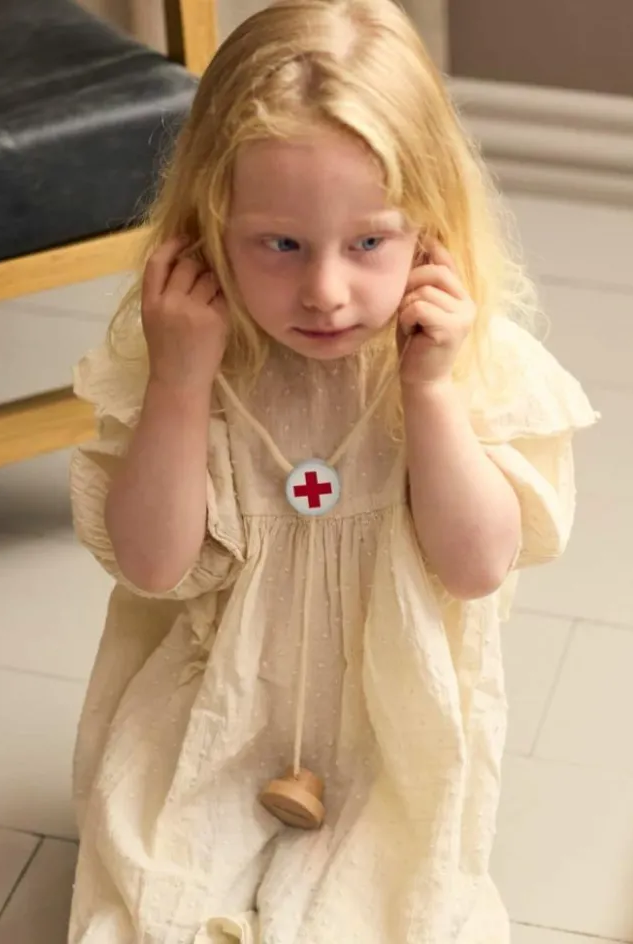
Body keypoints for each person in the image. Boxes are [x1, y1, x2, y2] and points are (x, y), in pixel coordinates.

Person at [67, 0, 597, 940]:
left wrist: (430, 394)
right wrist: (180, 384)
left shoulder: (468, 365)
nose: (324, 291)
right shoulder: (192, 357)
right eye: (279, 245)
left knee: (388, 919)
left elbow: (477, 565)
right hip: (215, 717)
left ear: (428, 229)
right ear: (209, 227)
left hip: (392, 728)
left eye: (369, 244)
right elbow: (152, 563)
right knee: (149, 918)